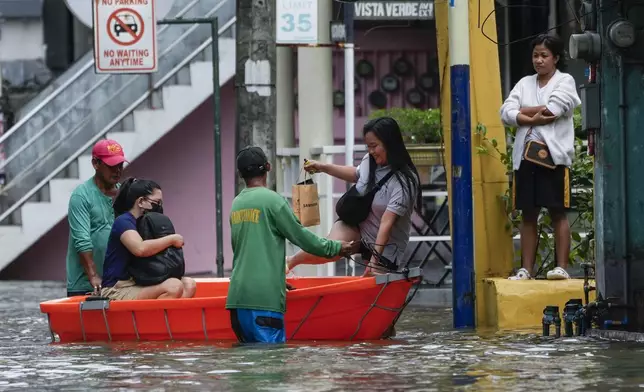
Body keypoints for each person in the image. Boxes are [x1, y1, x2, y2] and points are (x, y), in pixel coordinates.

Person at [226, 146, 358, 344]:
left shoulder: (236, 203)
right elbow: (302, 238)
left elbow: (242, 251)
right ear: (268, 167)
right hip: (264, 303)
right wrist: (337, 248)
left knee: (248, 370)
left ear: (240, 174)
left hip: (237, 301)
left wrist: (276, 279)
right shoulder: (272, 201)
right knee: (272, 366)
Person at [286, 117, 421, 277]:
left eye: (374, 146)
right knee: (331, 249)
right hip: (358, 226)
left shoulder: (404, 181)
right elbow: (357, 174)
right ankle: (289, 262)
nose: (370, 151)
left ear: (390, 143)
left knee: (376, 284)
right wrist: (323, 167)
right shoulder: (369, 161)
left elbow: (387, 223)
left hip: (387, 245)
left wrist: (374, 262)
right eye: (368, 146)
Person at [499, 34, 581, 280]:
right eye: (536, 55)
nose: (539, 60)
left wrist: (522, 112)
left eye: (544, 55)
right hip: (525, 157)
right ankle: (526, 269)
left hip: (553, 157)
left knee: (558, 211)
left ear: (555, 58)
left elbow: (553, 110)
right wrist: (531, 116)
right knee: (528, 213)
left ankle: (561, 268)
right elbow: (505, 112)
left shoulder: (565, 81)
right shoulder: (524, 83)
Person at [100, 178, 197, 300]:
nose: (159, 206)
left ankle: (169, 318)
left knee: (189, 284)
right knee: (173, 287)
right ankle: (155, 319)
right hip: (117, 288)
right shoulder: (123, 221)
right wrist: (172, 239)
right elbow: (140, 249)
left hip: (139, 282)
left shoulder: (147, 223)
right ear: (140, 201)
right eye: (157, 202)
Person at [66, 139, 127, 297]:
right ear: (95, 164)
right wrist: (93, 276)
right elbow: (82, 239)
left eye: (120, 165)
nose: (117, 170)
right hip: (86, 283)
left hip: (117, 281)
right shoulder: (81, 195)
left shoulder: (124, 194)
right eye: (112, 166)